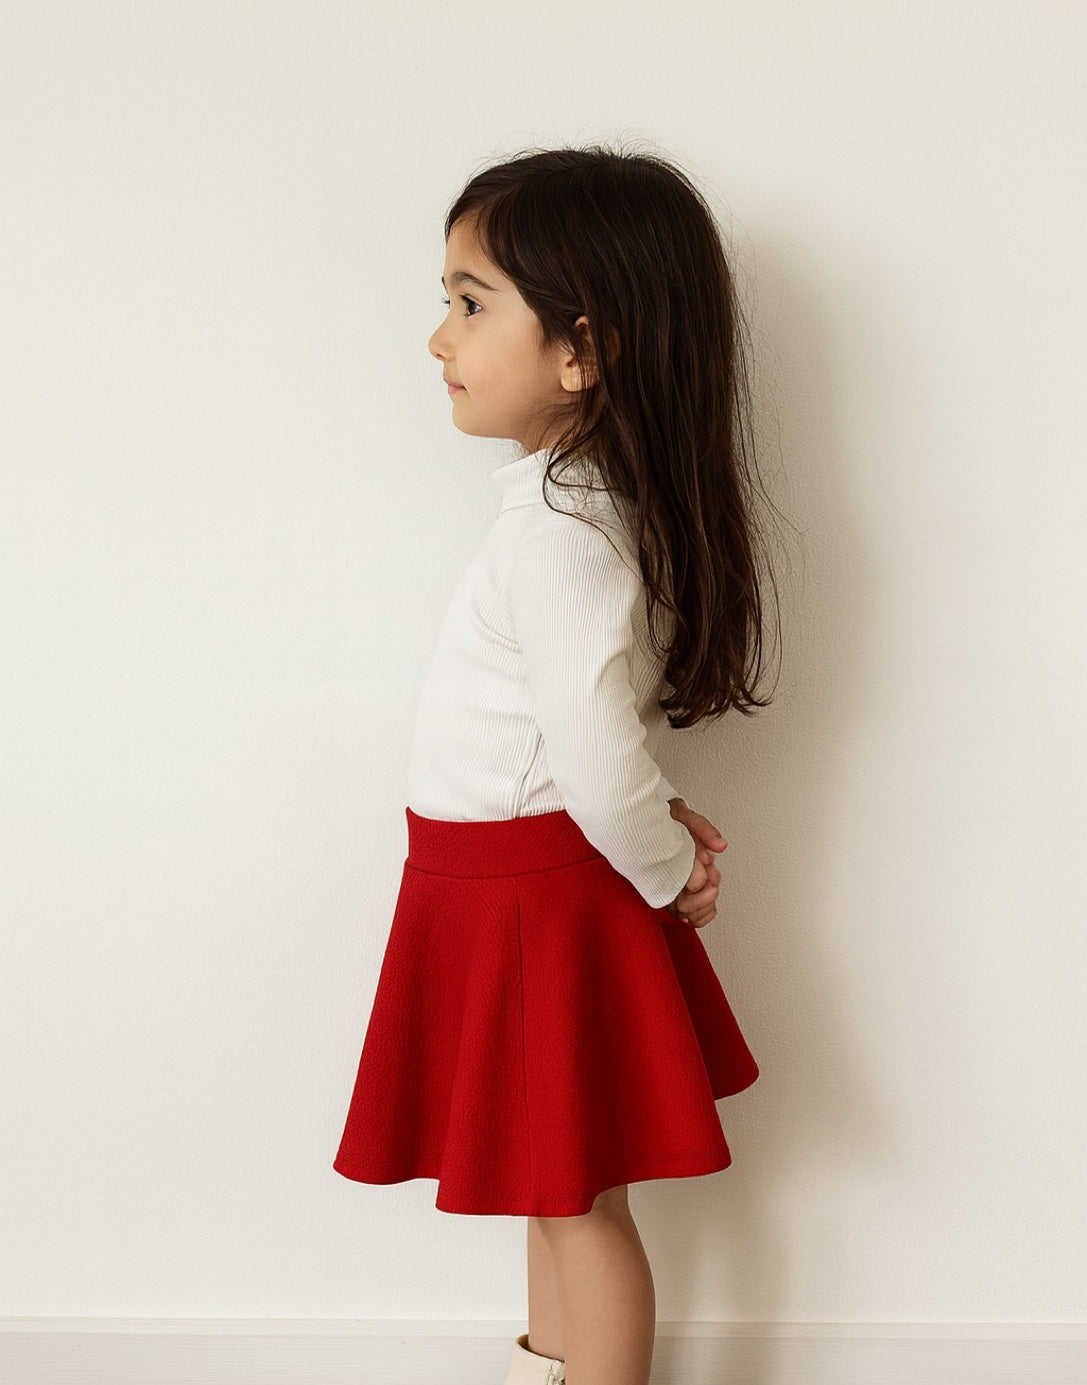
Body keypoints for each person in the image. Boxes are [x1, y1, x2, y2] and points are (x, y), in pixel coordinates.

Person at [333, 146, 775, 1385]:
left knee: (579, 1199)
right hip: (497, 884)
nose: (438, 338)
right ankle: (553, 1363)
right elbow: (578, 732)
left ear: (583, 348)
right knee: (552, 1177)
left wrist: (662, 858)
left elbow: (584, 752)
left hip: (536, 901)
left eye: (469, 303)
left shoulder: (564, 538)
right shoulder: (559, 513)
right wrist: (655, 829)